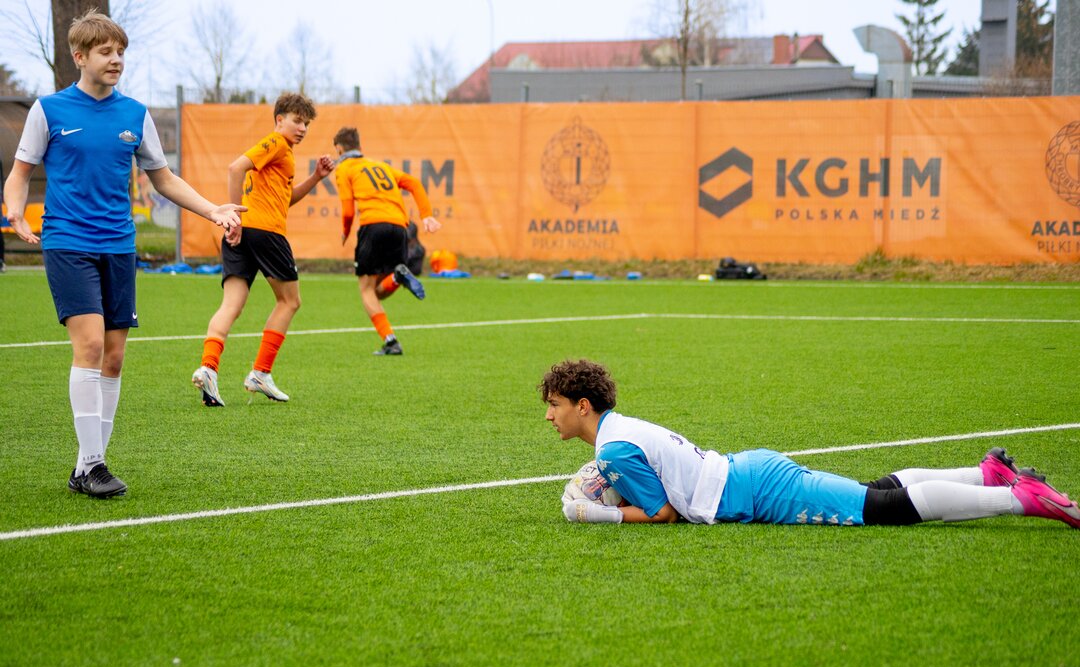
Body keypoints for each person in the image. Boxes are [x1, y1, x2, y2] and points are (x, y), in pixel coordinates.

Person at [3, 9, 245, 498]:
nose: (116, 60)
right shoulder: (47, 110)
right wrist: (15, 213)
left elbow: (165, 179)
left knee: (113, 358)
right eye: (105, 52)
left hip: (118, 245)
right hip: (68, 242)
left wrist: (211, 210)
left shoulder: (135, 114)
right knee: (90, 346)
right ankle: (95, 465)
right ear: (79, 57)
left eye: (120, 53)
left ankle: (83, 469)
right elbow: (20, 174)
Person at [540, 359, 1080, 528]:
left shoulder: (612, 449)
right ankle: (986, 474)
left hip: (755, 490)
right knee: (872, 492)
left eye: (555, 404)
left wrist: (597, 514)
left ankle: (1020, 497)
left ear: (583, 406)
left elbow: (662, 514)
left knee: (880, 509)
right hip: (750, 475)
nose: (549, 416)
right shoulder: (620, 431)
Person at [191, 93, 334, 406]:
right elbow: (235, 168)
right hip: (264, 232)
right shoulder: (277, 142)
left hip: (244, 233)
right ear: (279, 120)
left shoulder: (283, 154)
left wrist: (316, 177)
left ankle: (209, 368)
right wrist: (234, 217)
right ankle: (260, 372)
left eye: (307, 124)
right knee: (290, 301)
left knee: (232, 304)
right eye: (297, 121)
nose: (303, 128)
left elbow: (285, 200)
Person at [332, 126, 441, 356]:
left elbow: (348, 211)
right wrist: (426, 215)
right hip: (400, 228)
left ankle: (391, 341)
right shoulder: (381, 166)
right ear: (360, 147)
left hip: (373, 226)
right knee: (378, 291)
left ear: (339, 149)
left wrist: (345, 231)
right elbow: (414, 183)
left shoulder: (344, 168)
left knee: (366, 290)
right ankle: (397, 276)